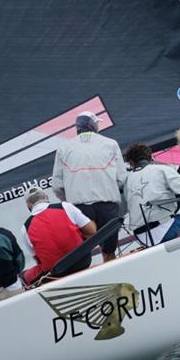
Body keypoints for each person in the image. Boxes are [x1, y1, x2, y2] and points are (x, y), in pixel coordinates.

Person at [52, 111, 127, 262]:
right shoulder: (111, 143)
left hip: (80, 208)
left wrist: (70, 199)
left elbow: (57, 186)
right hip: (107, 204)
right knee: (110, 253)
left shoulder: (63, 149)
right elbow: (121, 178)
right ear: (93, 125)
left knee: (81, 256)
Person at [123, 143, 180, 246]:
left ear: (132, 162)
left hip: (142, 237)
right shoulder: (160, 170)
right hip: (164, 229)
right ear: (150, 157)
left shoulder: (127, 181)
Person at [20, 186, 97, 286]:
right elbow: (92, 230)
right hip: (83, 261)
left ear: (28, 206)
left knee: (23, 277)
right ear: (47, 198)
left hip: (55, 273)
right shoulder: (65, 206)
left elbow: (38, 259)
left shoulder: (25, 228)